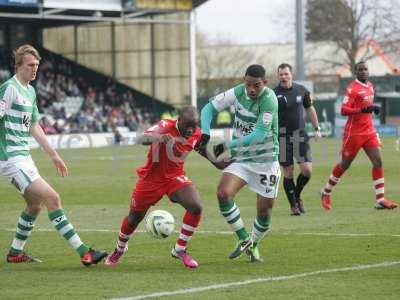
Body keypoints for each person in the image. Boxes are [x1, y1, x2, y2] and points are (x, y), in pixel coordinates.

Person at [0, 44, 107, 265]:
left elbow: (35, 127)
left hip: (24, 156)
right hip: (10, 158)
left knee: (34, 205)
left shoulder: (30, 91)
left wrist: (54, 155)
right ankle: (85, 252)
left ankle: (14, 253)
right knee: (52, 198)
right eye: (30, 65)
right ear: (18, 65)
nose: (34, 69)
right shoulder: (9, 88)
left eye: (37, 65)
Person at [105, 106, 225, 268]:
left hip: (175, 178)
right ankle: (119, 249)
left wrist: (217, 162)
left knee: (196, 206)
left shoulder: (196, 132)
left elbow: (200, 147)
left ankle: (180, 249)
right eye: (187, 125)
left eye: (194, 125)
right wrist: (160, 138)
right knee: (134, 218)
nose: (190, 130)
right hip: (151, 180)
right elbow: (141, 138)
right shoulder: (165, 126)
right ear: (179, 120)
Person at [197, 64, 280, 263]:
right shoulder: (237, 92)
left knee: (265, 212)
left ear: (265, 83)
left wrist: (228, 144)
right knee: (223, 193)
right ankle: (244, 238)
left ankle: (254, 244)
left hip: (266, 161)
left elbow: (259, 134)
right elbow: (209, 108)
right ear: (244, 80)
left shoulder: (269, 100)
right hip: (242, 158)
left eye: (256, 86)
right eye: (248, 84)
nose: (251, 89)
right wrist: (206, 133)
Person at [321, 61, 397, 210]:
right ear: (356, 72)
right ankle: (326, 192)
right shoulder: (352, 89)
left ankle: (380, 199)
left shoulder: (370, 86)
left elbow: (367, 107)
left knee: (378, 162)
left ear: (368, 71)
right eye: (360, 70)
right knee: (345, 164)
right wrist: (361, 110)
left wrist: (372, 109)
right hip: (353, 133)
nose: (363, 71)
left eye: (365, 69)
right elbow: (343, 110)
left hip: (369, 131)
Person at [273, 63, 322, 215]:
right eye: (281, 74)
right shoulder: (272, 94)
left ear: (291, 74)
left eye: (286, 74)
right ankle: (293, 205)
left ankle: (297, 195)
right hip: (281, 137)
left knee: (307, 171)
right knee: (288, 172)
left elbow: (310, 108)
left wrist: (317, 128)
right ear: (278, 75)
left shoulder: (301, 90)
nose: (283, 77)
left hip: (299, 136)